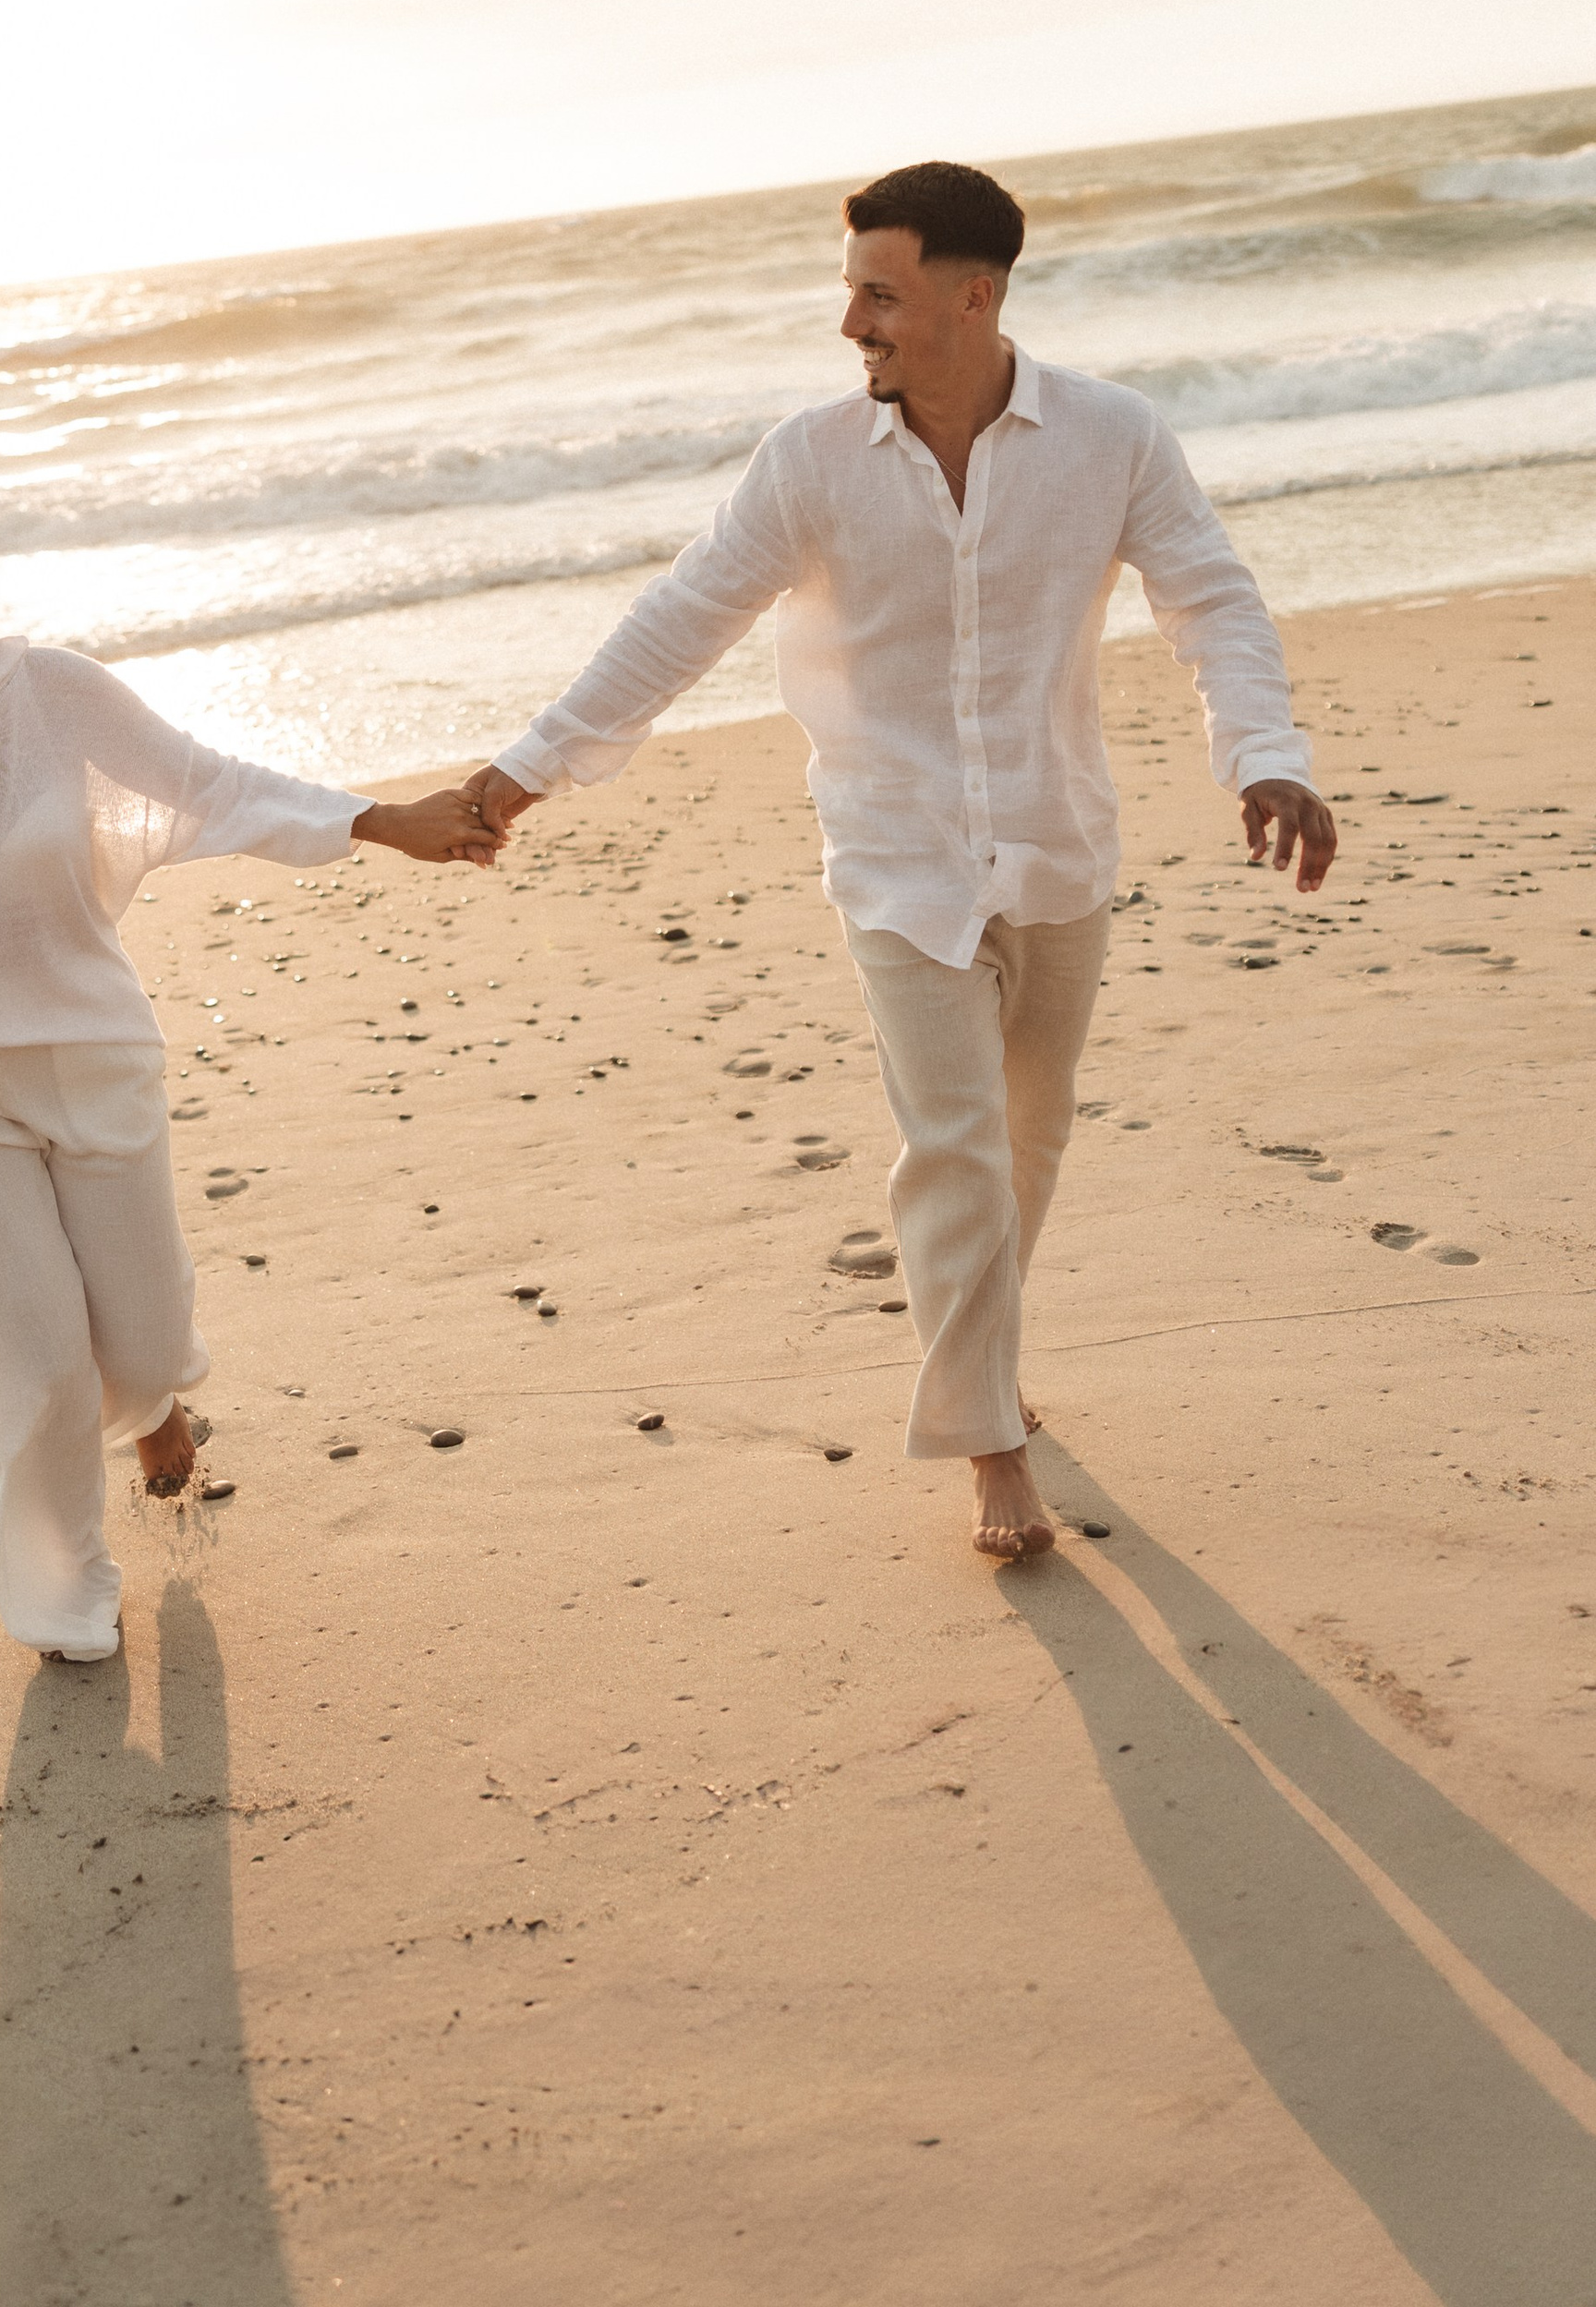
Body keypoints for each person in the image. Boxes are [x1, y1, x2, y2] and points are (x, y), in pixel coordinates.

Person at [470, 161, 1336, 1562]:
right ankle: (990, 1441)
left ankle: (983, 1356)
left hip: (1056, 843)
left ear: (972, 296)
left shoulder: (1112, 437)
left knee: (1030, 1136)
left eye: (879, 294)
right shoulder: (809, 463)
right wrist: (529, 768)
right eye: (851, 292)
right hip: (895, 855)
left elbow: (1211, 600)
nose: (852, 323)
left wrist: (1265, 754)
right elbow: (682, 615)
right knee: (954, 1145)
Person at [0, 443, 501, 1660]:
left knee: (139, 1337)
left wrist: (377, 820)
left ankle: (151, 1405)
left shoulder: (54, 691)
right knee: (34, 1356)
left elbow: (205, 781)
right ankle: (61, 1594)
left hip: (91, 1051)